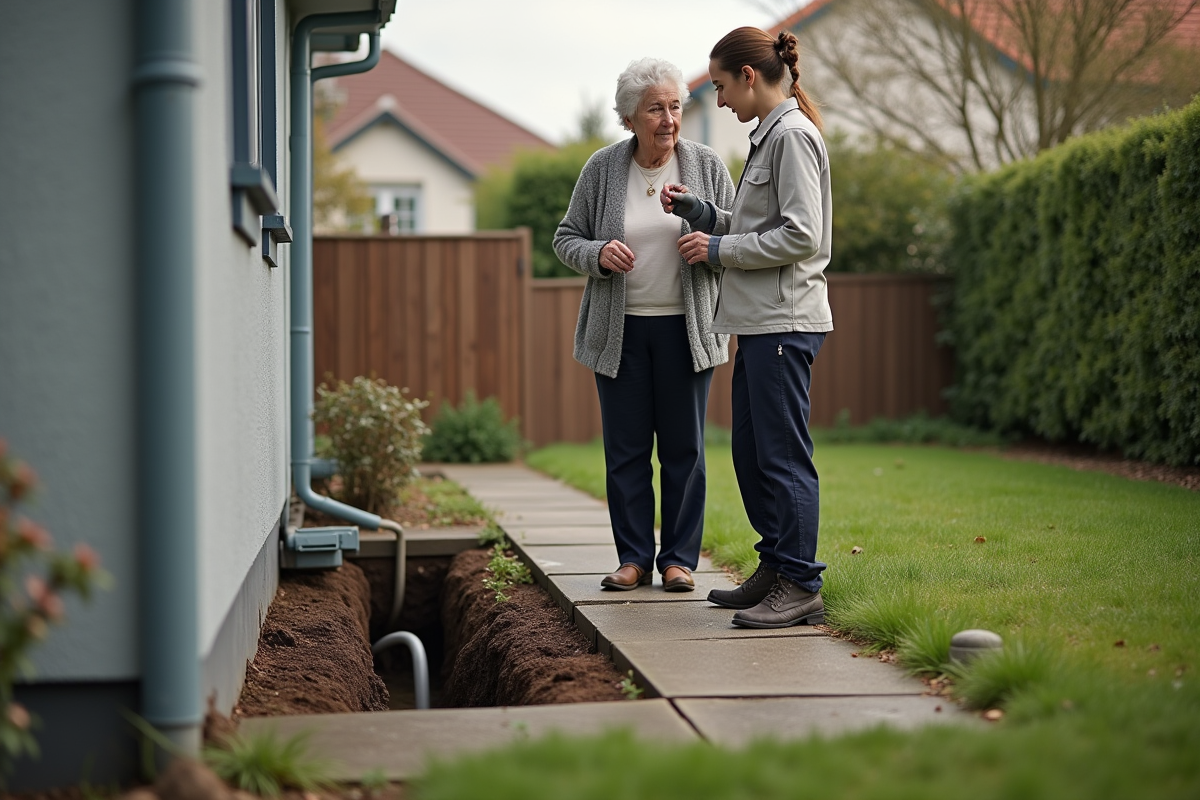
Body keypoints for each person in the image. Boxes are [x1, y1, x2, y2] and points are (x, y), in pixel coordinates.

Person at [663, 27, 832, 626]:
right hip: (760, 324)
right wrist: (704, 215)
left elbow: (801, 235)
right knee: (753, 453)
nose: (721, 100)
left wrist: (719, 249)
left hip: (785, 321)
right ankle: (777, 566)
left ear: (750, 76)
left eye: (720, 86)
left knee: (782, 457)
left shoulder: (793, 137)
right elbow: (762, 221)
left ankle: (802, 583)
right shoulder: (770, 137)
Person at [554, 58, 735, 593]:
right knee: (627, 450)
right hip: (620, 334)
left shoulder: (704, 164)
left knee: (685, 451)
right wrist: (598, 253)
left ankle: (678, 560)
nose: (668, 119)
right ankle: (633, 557)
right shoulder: (602, 169)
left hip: (688, 329)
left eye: (675, 106)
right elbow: (566, 238)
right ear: (630, 117)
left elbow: (737, 231)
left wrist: (703, 223)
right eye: (655, 108)